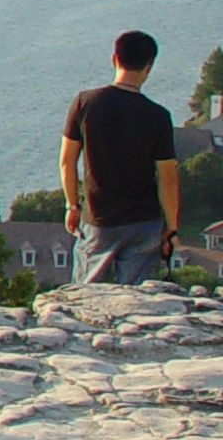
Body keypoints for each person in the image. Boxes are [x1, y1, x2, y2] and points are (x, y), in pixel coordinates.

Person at [61, 28, 180, 284]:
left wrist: (72, 205)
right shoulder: (158, 116)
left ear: (115, 59)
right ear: (149, 67)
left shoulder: (85, 103)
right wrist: (171, 226)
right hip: (144, 221)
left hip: (98, 220)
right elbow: (167, 178)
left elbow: (67, 162)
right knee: (136, 298)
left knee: (87, 296)